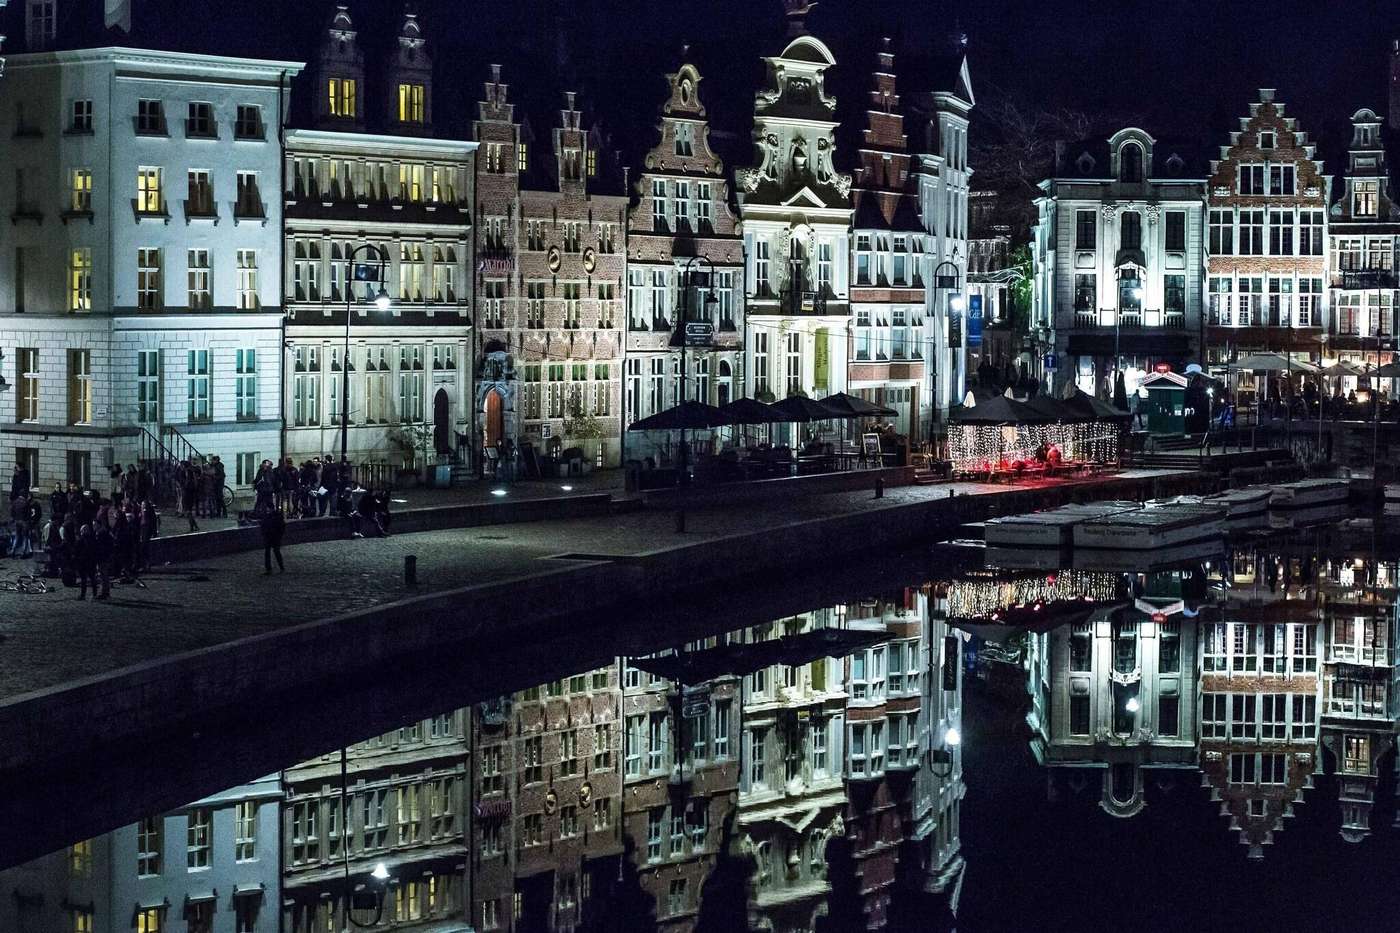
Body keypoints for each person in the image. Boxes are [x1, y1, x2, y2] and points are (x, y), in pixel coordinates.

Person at [259, 506, 286, 574]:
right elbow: (282, 527)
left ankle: (269, 569)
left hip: (270, 536)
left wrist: (264, 533)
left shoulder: (266, 516)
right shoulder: (277, 516)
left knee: (269, 552)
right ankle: (281, 567)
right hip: (274, 536)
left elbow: (263, 526)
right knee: (275, 551)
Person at [75, 524, 97, 599]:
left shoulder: (80, 540)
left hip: (83, 561)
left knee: (84, 579)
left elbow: (76, 551)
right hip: (91, 561)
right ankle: (94, 593)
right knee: (92, 578)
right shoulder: (93, 539)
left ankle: (83, 594)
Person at [182, 463, 202, 532]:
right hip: (191, 496)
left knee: (188, 512)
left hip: (188, 496)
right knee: (189, 512)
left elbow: (187, 489)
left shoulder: (189, 481)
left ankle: (192, 528)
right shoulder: (194, 479)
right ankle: (195, 527)